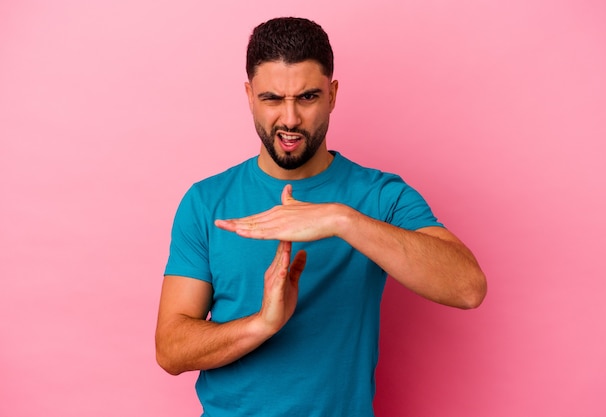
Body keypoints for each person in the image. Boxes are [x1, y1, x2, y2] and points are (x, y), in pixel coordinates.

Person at [156, 16, 487, 417]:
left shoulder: (379, 196)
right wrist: (262, 323)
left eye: (307, 97)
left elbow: (467, 287)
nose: (290, 119)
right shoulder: (206, 201)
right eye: (272, 99)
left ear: (332, 95)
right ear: (249, 96)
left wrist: (341, 220)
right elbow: (171, 349)